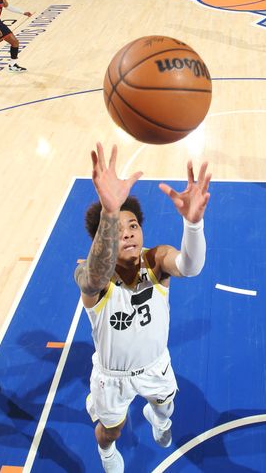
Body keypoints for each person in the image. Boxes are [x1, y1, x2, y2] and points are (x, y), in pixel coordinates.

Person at [75, 144, 211, 473]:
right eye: (117, 231)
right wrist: (109, 212)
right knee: (112, 431)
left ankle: (156, 418)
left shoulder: (155, 260)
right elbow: (91, 278)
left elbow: (190, 267)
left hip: (155, 366)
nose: (128, 234)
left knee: (165, 411)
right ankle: (107, 453)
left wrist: (193, 225)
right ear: (101, 238)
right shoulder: (90, 273)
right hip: (112, 377)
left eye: (133, 225)